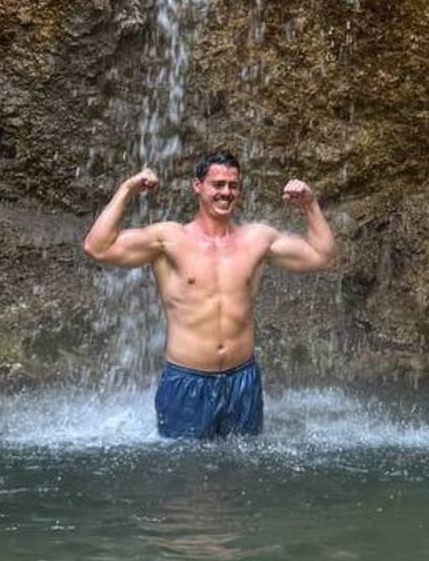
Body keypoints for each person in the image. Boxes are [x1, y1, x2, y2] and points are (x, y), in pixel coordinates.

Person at [82, 150, 337, 439]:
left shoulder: (258, 239)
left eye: (233, 186)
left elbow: (322, 255)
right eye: (218, 184)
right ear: (197, 186)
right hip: (186, 381)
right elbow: (97, 246)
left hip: (242, 381)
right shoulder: (169, 238)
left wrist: (310, 203)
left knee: (242, 472)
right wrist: (128, 188)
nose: (226, 192)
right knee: (184, 473)